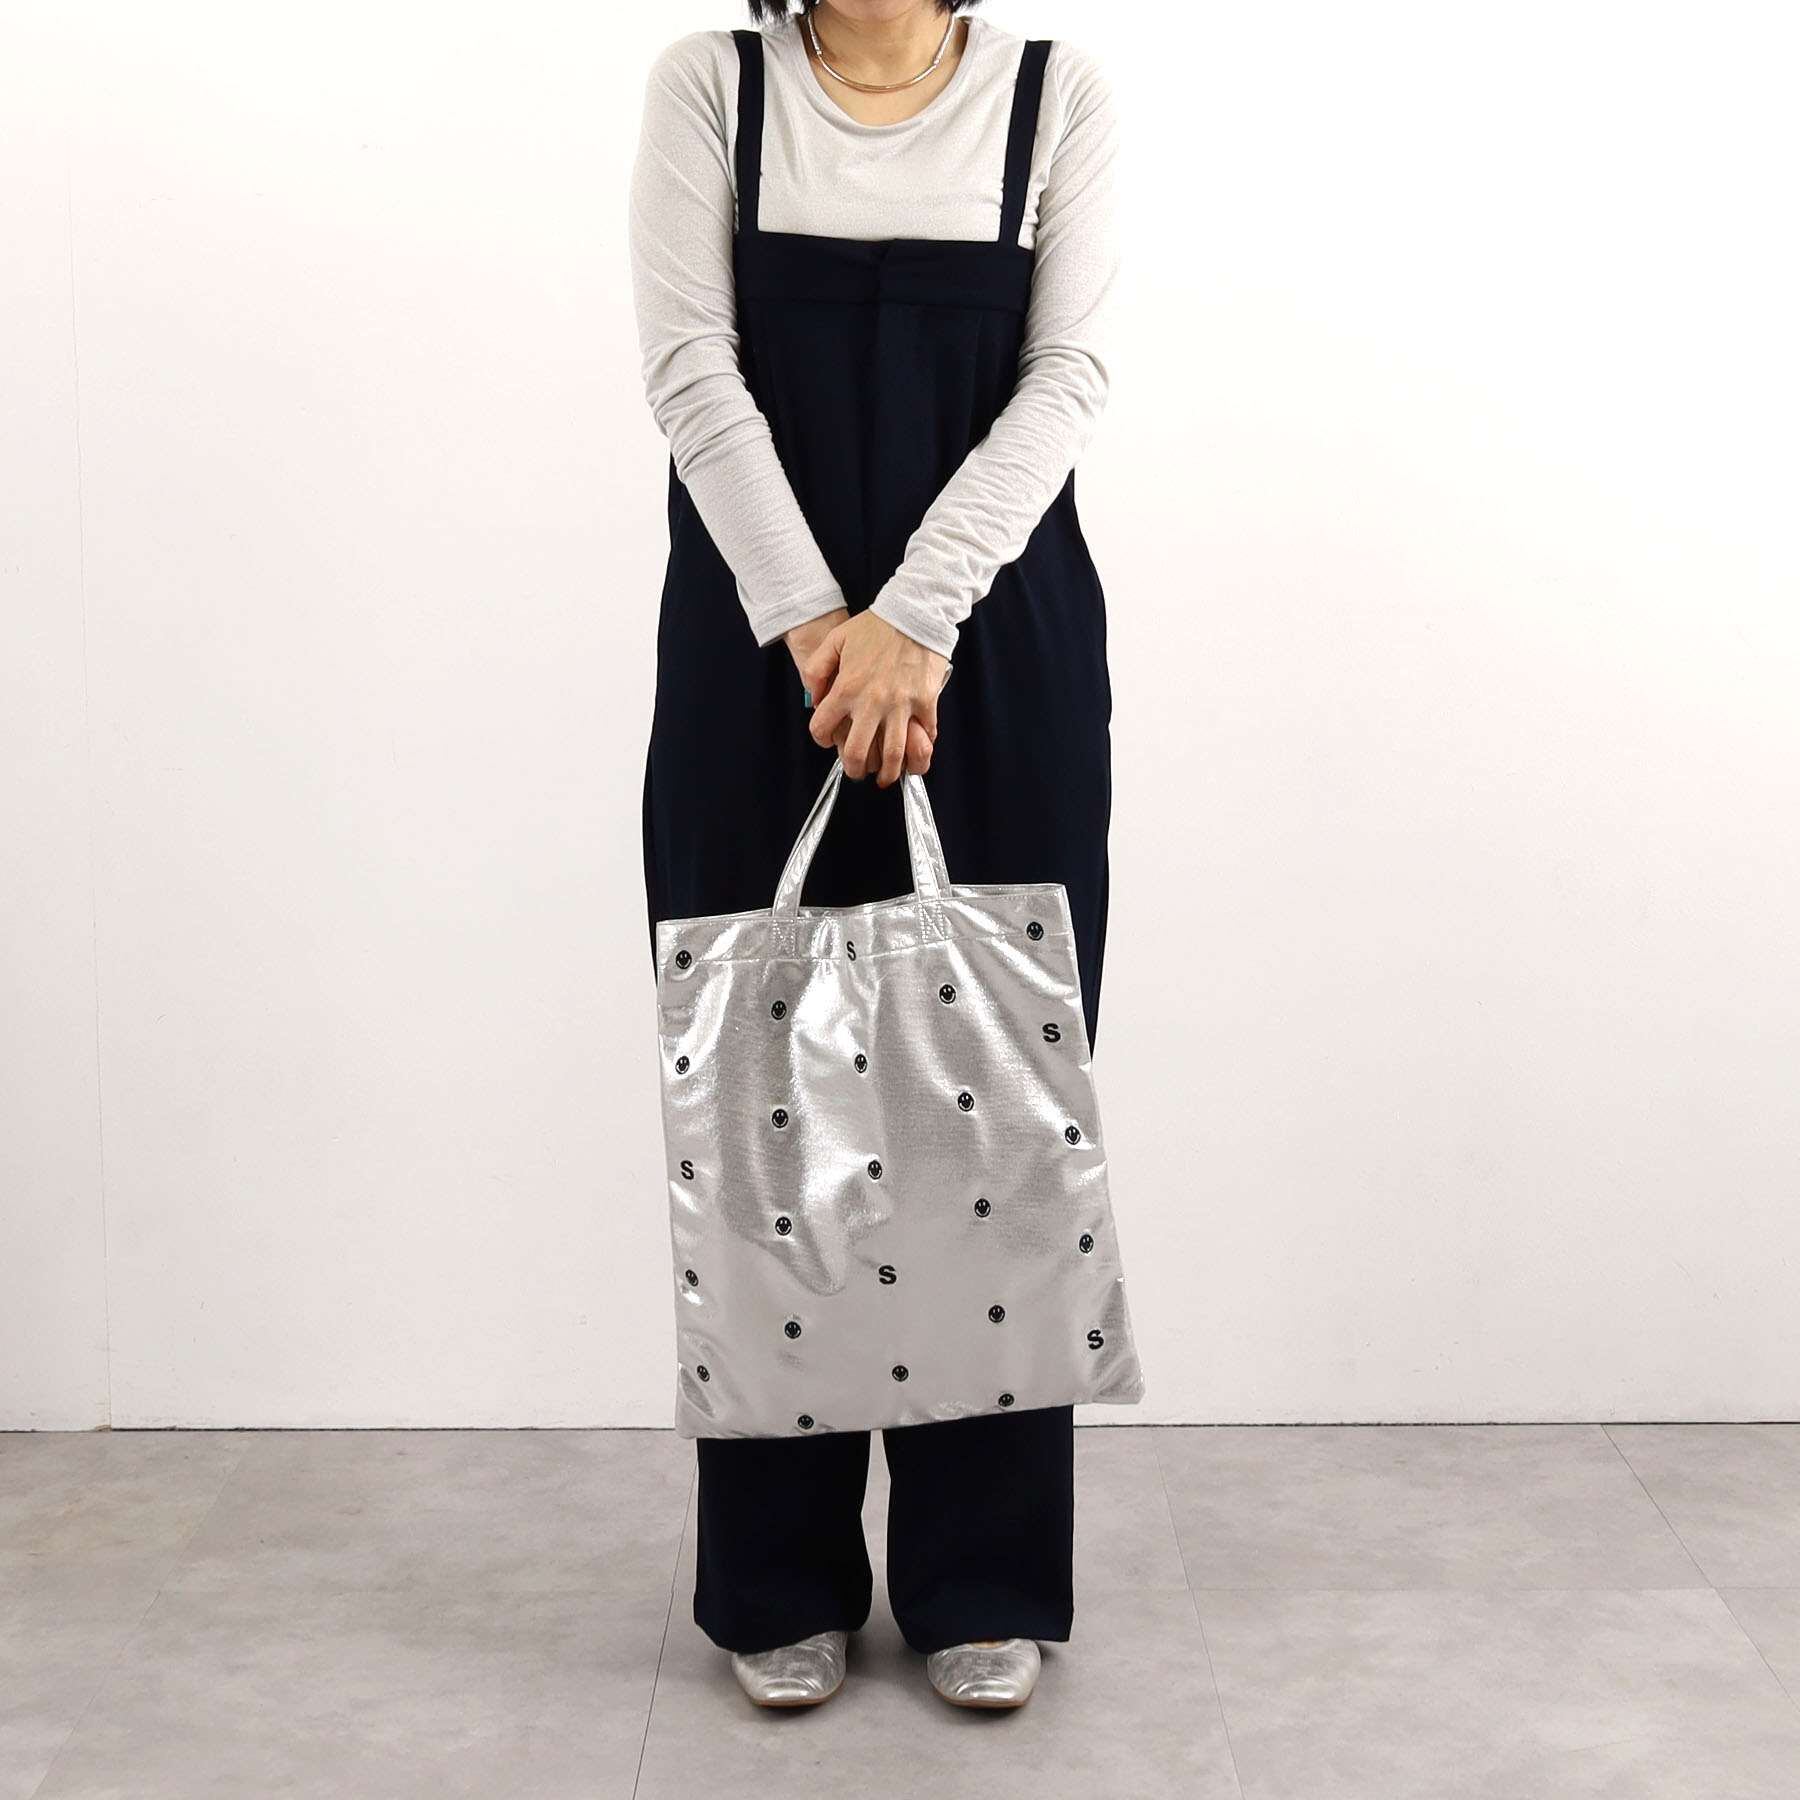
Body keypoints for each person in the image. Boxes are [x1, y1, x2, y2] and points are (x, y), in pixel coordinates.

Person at [629, 0, 1118, 1711]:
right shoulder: (714, 86)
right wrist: (817, 625)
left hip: (996, 646)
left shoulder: (1056, 94)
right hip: (758, 652)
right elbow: (692, 372)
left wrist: (915, 619)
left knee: (997, 1102)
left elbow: (1068, 379)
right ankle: (775, 1575)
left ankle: (987, 1573)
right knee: (765, 1100)